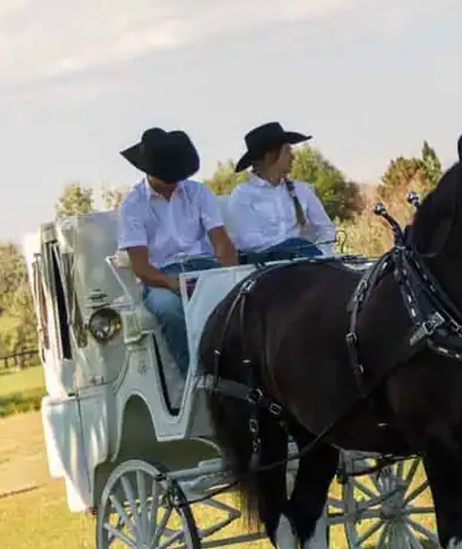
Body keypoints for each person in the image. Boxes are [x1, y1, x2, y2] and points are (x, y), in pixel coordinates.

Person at [116, 127, 238, 375]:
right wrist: (174, 284)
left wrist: (229, 276)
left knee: (241, 299)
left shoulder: (199, 193)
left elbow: (221, 242)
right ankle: (195, 372)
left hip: (204, 266)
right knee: (168, 308)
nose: (174, 182)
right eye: (167, 176)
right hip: (162, 277)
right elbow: (142, 267)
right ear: (150, 172)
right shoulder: (132, 207)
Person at [225, 121, 336, 265]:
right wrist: (294, 249)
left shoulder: (302, 190)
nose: (293, 157)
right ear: (271, 156)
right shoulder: (242, 195)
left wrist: (321, 254)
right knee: (293, 244)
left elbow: (326, 228)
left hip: (303, 262)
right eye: (288, 151)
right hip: (262, 266)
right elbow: (251, 243)